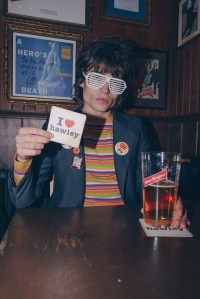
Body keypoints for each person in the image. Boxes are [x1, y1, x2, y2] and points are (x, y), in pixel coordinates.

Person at [8, 36, 189, 229]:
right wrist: (23, 159)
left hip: (124, 227)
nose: (105, 90)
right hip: (68, 229)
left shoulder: (136, 128)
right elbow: (22, 202)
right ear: (81, 81)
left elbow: (150, 183)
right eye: (96, 78)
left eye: (115, 83)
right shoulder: (59, 125)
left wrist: (172, 203)